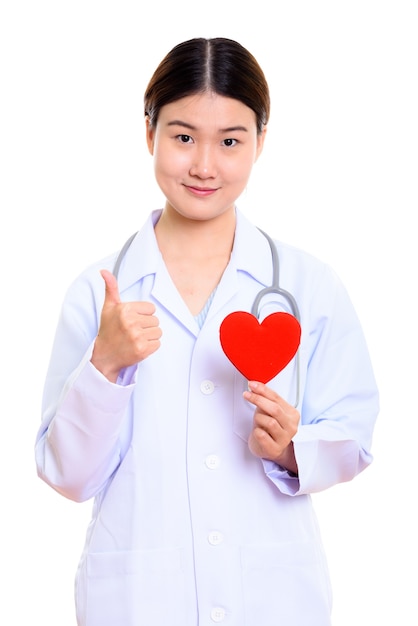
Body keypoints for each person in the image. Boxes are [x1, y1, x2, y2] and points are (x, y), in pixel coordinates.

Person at [35, 37, 379, 626]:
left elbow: (355, 436)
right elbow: (67, 477)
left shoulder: (306, 284)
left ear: (260, 143)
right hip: (140, 601)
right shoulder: (98, 294)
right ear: (150, 133)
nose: (204, 165)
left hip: (274, 599)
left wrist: (296, 449)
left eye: (230, 141)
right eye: (183, 136)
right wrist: (105, 367)